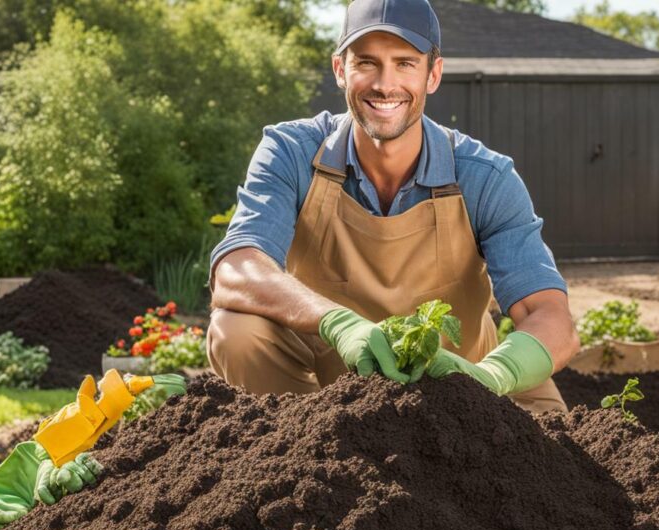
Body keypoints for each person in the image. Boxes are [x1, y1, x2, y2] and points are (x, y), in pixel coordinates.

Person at [206, 0, 580, 413]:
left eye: (405, 63)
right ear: (340, 70)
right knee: (235, 330)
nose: (385, 84)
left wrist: (491, 377)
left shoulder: (484, 177)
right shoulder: (292, 152)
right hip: (330, 398)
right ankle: (296, 454)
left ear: (432, 74)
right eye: (367, 62)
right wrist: (337, 322)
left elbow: (553, 318)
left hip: (469, 399)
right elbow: (237, 267)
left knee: (552, 461)